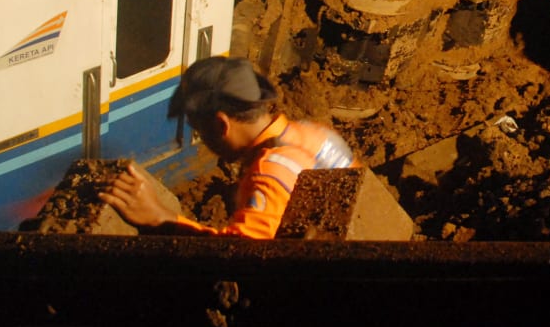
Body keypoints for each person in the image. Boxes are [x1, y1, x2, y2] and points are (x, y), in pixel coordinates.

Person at [101, 56, 359, 239]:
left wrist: (161, 218)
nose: (202, 139)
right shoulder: (314, 133)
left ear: (220, 124)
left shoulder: (270, 172)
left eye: (199, 129)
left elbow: (239, 260)